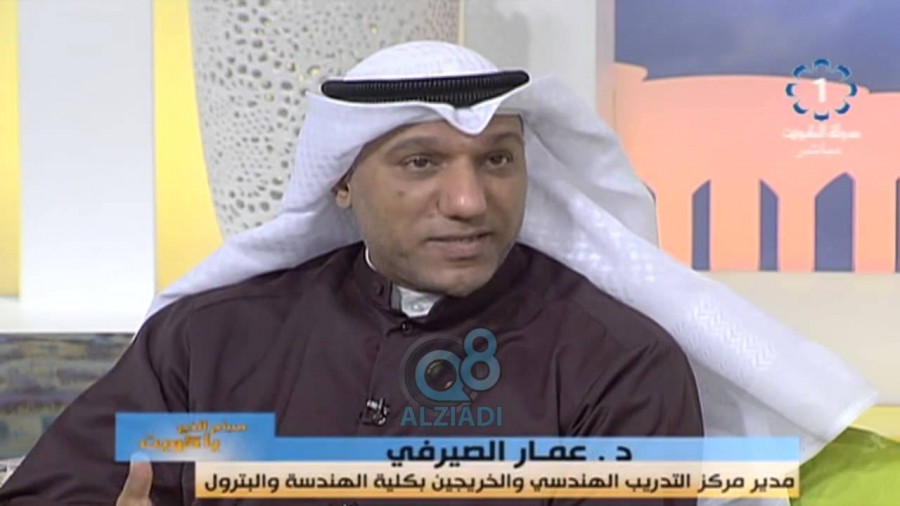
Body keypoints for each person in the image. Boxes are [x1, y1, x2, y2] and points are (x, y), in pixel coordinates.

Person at [0, 41, 876, 506]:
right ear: (342, 182)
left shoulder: (614, 365)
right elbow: (77, 481)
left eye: (497, 161)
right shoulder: (213, 343)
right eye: (421, 163)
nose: (467, 201)